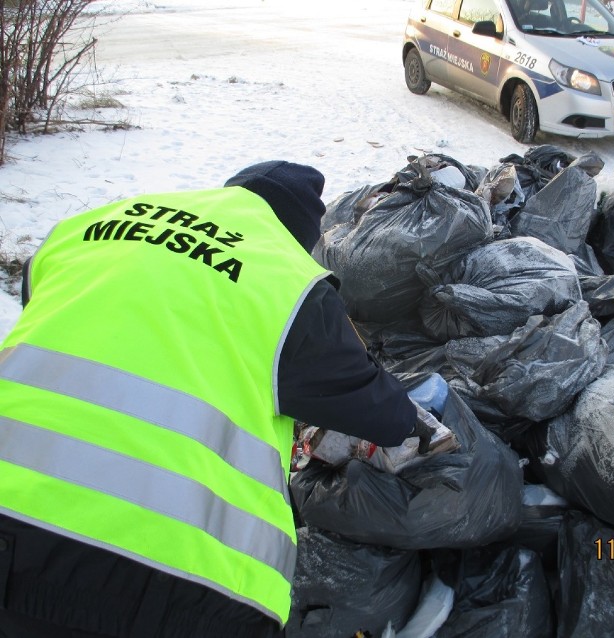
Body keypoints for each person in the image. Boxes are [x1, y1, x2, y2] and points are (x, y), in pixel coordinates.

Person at [0, 161, 435, 637]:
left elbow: (41, 304)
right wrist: (419, 424)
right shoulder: (285, 279)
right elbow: (370, 404)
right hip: (165, 572)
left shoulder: (92, 224)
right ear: (298, 231)